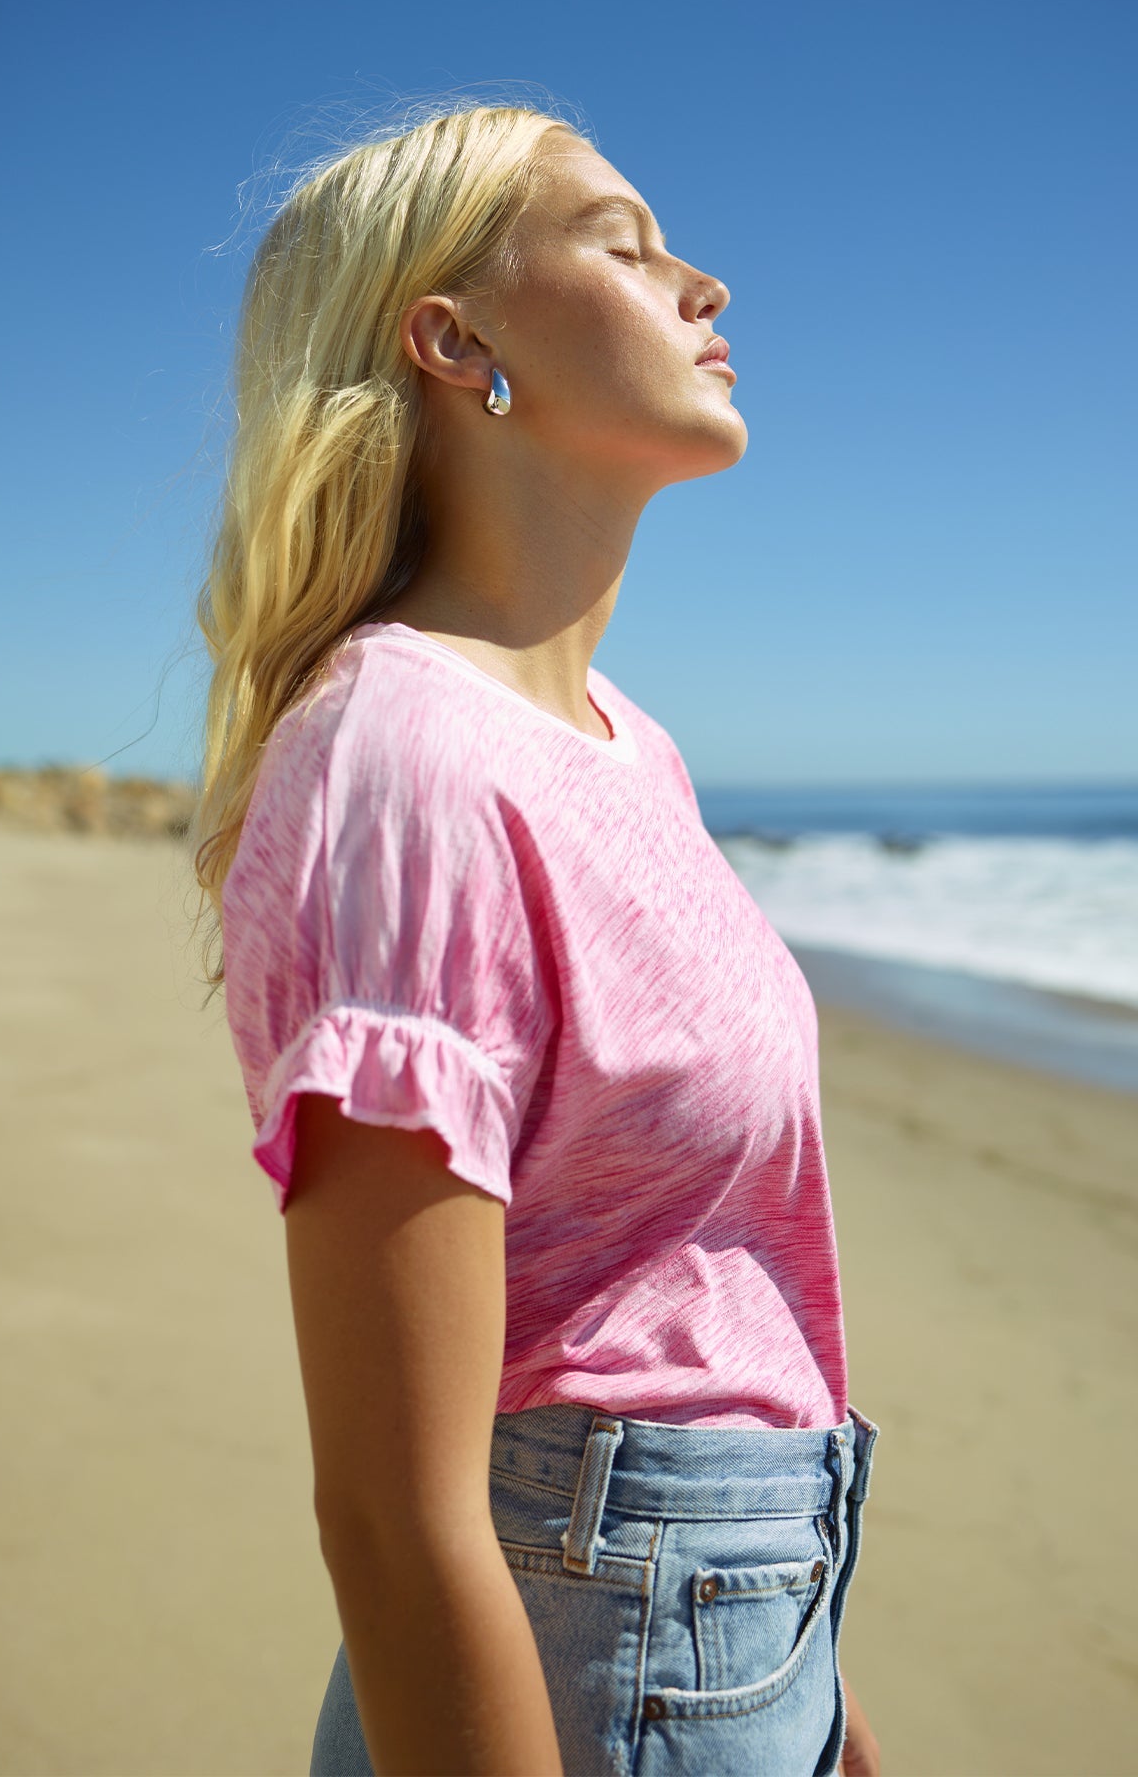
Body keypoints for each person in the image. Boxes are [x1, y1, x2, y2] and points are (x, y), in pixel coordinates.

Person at [190, 99, 881, 1777]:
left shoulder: (628, 747)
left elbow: (706, 1291)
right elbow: (394, 1510)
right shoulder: (404, 755)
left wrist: (825, 1713)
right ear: (454, 337)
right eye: (627, 246)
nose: (705, 284)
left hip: (732, 1628)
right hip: (584, 1672)